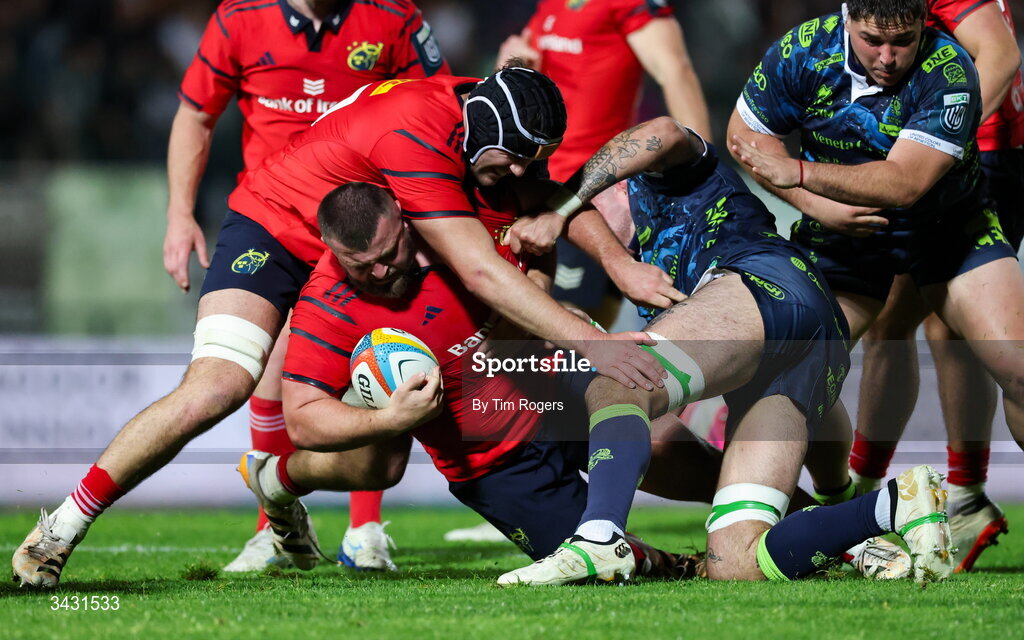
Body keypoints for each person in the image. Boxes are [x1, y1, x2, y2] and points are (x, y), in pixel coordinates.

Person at [11, 66, 671, 589]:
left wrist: (619, 265)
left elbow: (545, 198)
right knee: (218, 385)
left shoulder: (482, 122)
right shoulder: (418, 138)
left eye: (531, 162)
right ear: (479, 134)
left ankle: (279, 483)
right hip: (276, 230)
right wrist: (594, 341)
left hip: (367, 259)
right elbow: (478, 268)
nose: (521, 175)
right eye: (514, 163)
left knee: (384, 457)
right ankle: (60, 529)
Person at [498, 117, 952, 586]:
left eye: (582, 211)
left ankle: (598, 537)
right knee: (735, 563)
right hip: (804, 346)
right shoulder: (647, 272)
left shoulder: (668, 177)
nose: (578, 229)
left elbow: (666, 132)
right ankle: (896, 504)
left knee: (621, 376)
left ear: (611, 187)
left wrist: (564, 207)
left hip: (765, 280)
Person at [237, 178, 719, 578]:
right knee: (608, 566)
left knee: (676, 454)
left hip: (550, 383)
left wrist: (535, 300)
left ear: (404, 218)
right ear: (332, 251)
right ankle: (684, 566)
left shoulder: (457, 220)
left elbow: (541, 226)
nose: (383, 271)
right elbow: (302, 421)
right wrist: (392, 418)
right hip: (494, 466)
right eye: (363, 267)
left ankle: (785, 504)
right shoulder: (325, 307)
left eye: (391, 251)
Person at [168, 0, 451, 573]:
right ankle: (274, 531)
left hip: (363, 231)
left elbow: (439, 106)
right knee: (268, 370)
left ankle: (365, 529)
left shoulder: (392, 17)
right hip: (277, 220)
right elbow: (195, 114)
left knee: (380, 360)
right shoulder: (238, 18)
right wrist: (179, 212)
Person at [727, 0, 1024, 494]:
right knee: (789, 375)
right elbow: (744, 135)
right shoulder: (803, 50)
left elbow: (905, 183)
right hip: (844, 235)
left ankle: (960, 493)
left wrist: (799, 173)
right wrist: (815, 205)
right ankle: (839, 500)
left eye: (903, 41)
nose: (887, 57)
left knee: (1017, 365)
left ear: (924, 25)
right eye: (872, 40)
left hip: (950, 227)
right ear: (847, 20)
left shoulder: (950, 68)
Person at [847, 0, 1022, 573]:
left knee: (896, 320)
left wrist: (949, 143)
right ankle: (964, 493)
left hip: (979, 156)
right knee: (940, 328)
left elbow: (999, 52)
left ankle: (859, 498)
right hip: (967, 150)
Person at [495, 0, 710, 322]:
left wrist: (704, 176)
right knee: (532, 326)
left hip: (591, 195)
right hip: (535, 186)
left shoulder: (627, 3)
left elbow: (675, 70)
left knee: (572, 329)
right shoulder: (550, 5)